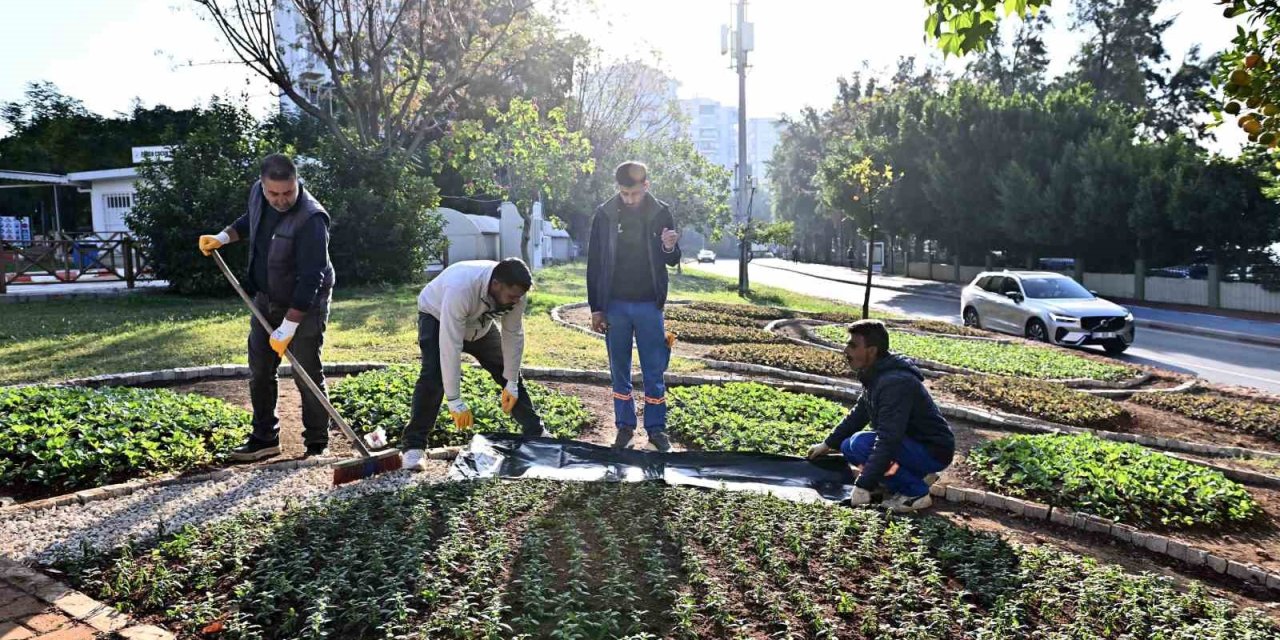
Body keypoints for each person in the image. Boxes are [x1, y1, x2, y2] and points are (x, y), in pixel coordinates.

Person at [199, 154, 336, 461]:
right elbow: (251, 220)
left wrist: (289, 325)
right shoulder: (259, 194)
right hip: (265, 297)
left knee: (306, 372)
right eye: (274, 193)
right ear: (263, 185)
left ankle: (317, 444)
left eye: (288, 192)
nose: (281, 200)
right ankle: (264, 439)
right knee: (260, 369)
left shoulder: (312, 219)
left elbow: (311, 278)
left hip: (305, 304)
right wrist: (223, 238)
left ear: (296, 182)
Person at [400, 258, 546, 471]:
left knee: (505, 370)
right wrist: (454, 398)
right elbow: (450, 344)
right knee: (433, 376)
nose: (515, 301)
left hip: (480, 327)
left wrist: (512, 381)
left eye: (519, 297)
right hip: (438, 315)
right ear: (496, 284)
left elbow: (513, 334)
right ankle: (414, 447)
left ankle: (536, 432)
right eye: (512, 296)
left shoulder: (516, 294)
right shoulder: (460, 288)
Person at [806, 320, 954, 512]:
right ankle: (910, 477)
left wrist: (863, 485)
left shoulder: (894, 383)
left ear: (872, 351)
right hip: (911, 445)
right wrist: (827, 444)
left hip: (931, 450)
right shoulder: (876, 375)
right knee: (847, 446)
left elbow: (888, 439)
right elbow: (859, 414)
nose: (846, 350)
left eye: (852, 345)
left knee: (861, 445)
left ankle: (915, 493)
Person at [586, 161, 681, 452]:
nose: (629, 199)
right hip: (614, 304)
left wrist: (668, 245)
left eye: (634, 194)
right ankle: (624, 427)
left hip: (649, 304)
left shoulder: (660, 212)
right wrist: (596, 307)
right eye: (624, 194)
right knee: (619, 369)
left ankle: (656, 430)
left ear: (646, 186)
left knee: (654, 369)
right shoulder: (604, 214)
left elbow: (672, 258)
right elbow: (594, 263)